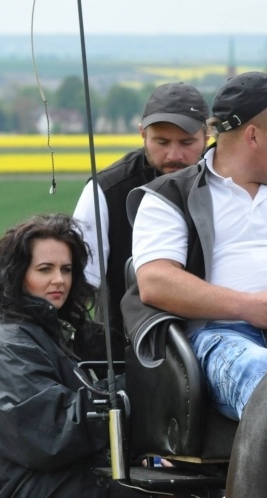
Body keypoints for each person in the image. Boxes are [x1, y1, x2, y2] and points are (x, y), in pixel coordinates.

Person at [125, 71, 267, 421]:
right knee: (260, 369)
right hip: (219, 339)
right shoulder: (169, 196)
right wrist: (248, 307)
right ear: (253, 136)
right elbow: (155, 281)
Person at [0, 213, 151, 498]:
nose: (59, 279)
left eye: (66, 269)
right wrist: (133, 392)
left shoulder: (61, 333)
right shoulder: (9, 343)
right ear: (18, 275)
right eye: (45, 269)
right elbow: (50, 430)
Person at [73, 82, 210, 358]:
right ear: (142, 134)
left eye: (186, 142)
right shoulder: (105, 191)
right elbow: (77, 285)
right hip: (130, 355)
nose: (174, 155)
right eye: (162, 142)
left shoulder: (229, 183)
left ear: (207, 136)